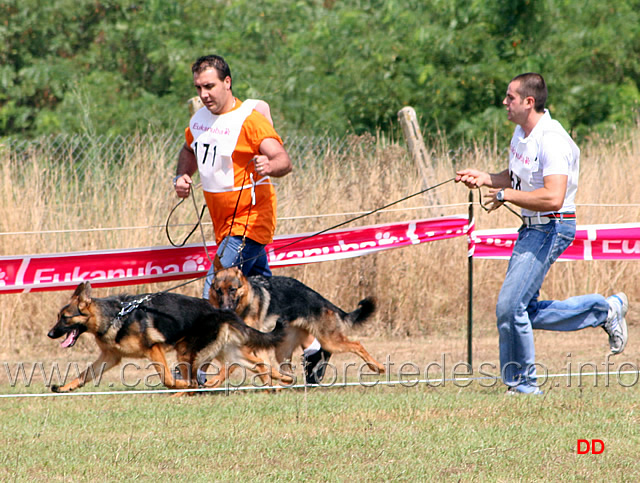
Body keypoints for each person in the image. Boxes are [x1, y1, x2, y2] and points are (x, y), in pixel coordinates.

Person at [456, 72, 629, 395]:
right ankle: (604, 310)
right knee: (524, 309)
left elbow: (552, 196)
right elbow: (518, 177)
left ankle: (523, 386)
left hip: (552, 226)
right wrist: (487, 179)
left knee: (510, 307)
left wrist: (505, 196)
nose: (504, 103)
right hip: (531, 227)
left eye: (510, 97)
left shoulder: (552, 139)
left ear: (528, 102)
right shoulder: (522, 135)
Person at [173, 54, 330, 384]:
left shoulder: (249, 120)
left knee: (215, 289)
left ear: (227, 83)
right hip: (223, 224)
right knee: (266, 300)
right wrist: (183, 177)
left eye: (210, 86)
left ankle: (195, 369)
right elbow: (188, 151)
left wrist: (269, 167)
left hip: (249, 222)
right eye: (199, 87)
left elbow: (283, 160)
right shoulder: (200, 119)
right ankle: (314, 347)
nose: (204, 94)